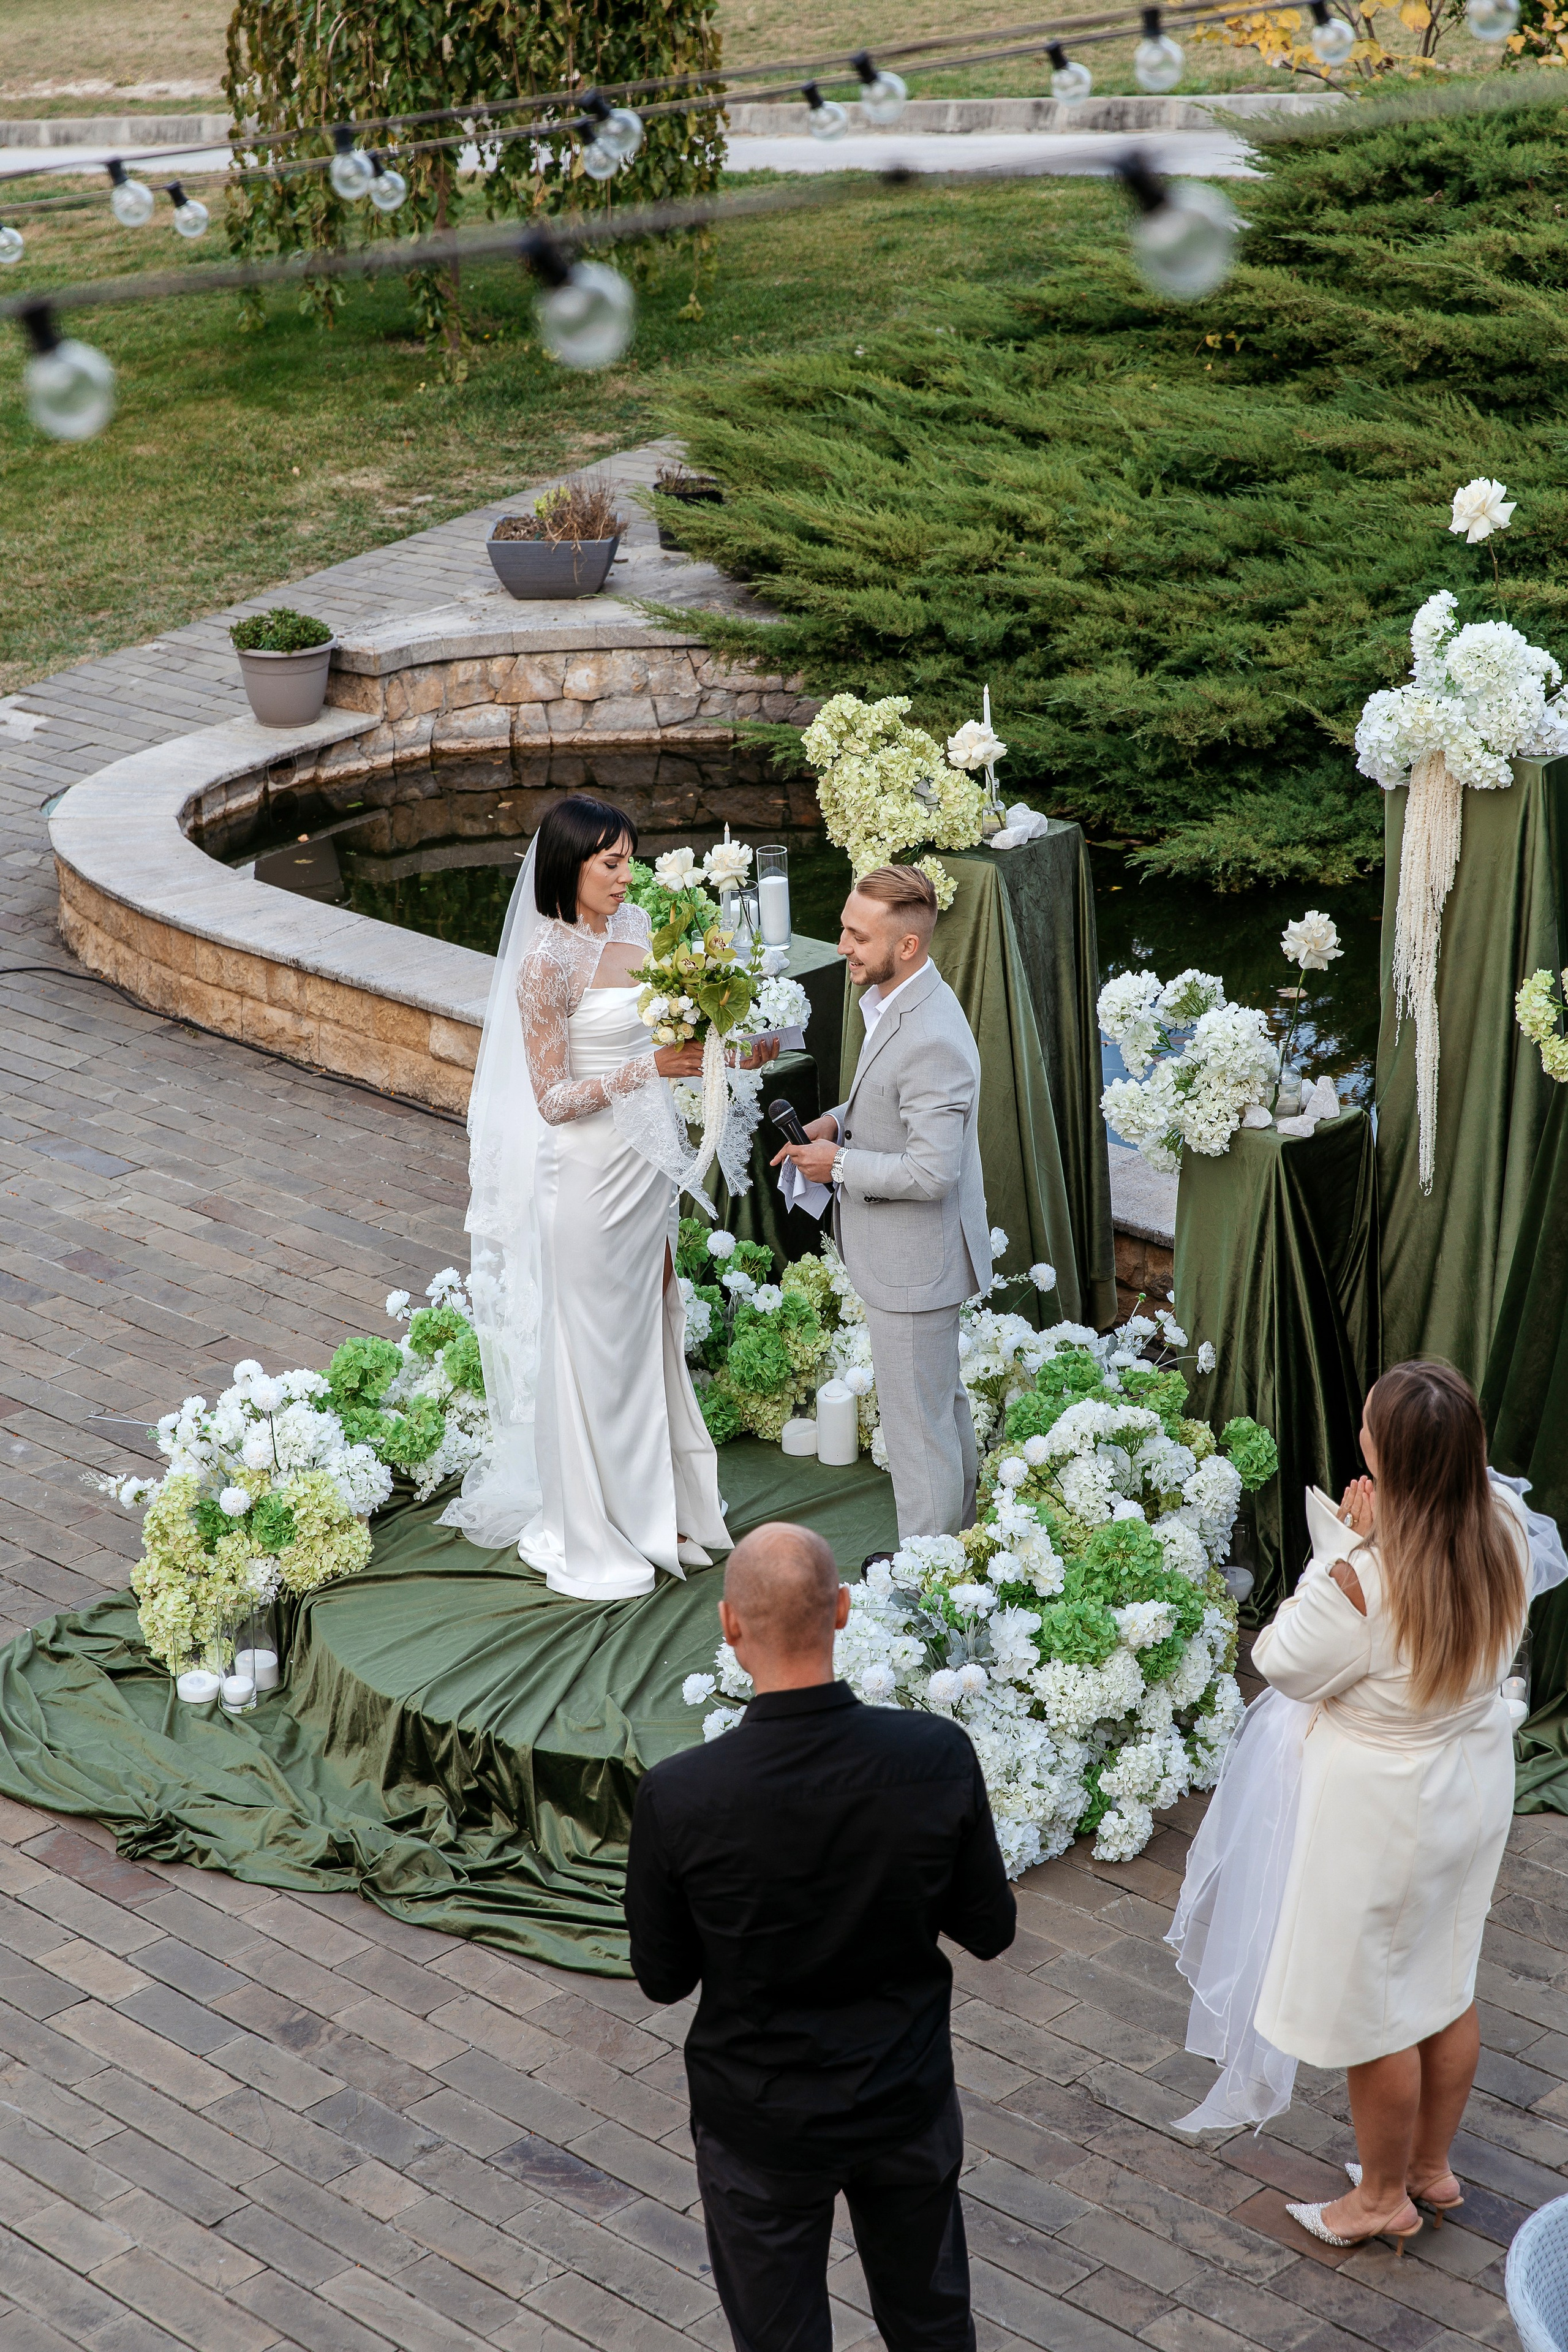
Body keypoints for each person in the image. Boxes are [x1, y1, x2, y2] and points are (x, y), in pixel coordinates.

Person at [1170, 1360, 1536, 2252]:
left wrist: (1338, 1546)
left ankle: (1380, 2199)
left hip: (1382, 1811)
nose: (1361, 1438)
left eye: (1371, 1430)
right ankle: (1428, 2167)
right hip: (1472, 1783)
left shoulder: (1363, 1581)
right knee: (1445, 1980)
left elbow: (1282, 1662)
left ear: (1397, 1461)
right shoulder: (1507, 1526)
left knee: (1378, 2012)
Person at [626, 1520, 1016, 2352]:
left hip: (760, 2122)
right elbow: (990, 1929)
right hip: (903, 2098)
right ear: (842, 1610)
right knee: (934, 2324)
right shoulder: (935, 1756)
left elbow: (663, 1978)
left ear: (730, 1628)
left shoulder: (681, 1797)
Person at [443, 796, 772, 1599]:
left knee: (647, 1335)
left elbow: (665, 1033)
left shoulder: (635, 933)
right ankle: (594, 1524)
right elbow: (550, 1097)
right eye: (612, 863)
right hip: (586, 1178)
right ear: (571, 867)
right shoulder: (543, 965)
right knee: (594, 1351)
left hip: (641, 1167)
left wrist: (721, 1042)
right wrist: (644, 1073)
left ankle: (660, 1509)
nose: (629, 876)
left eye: (631, 858)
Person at [772, 866, 991, 1539]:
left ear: (907, 947)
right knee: (938, 1408)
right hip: (910, 1260)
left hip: (913, 1267)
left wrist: (833, 1163)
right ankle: (959, 1548)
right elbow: (887, 1098)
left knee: (915, 1428)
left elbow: (931, 1171)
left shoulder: (930, 1035)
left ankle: (926, 1588)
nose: (841, 946)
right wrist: (838, 1122)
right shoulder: (903, 1001)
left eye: (857, 936)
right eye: (844, 928)